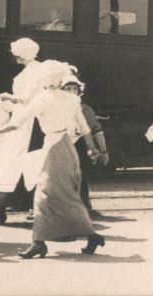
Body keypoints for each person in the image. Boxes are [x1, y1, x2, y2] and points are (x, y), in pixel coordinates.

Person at [0, 60, 105, 258]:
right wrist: (93, 149)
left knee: (44, 195)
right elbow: (85, 128)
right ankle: (89, 236)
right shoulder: (71, 99)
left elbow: (18, 122)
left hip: (53, 146)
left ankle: (39, 243)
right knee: (65, 195)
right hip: (68, 148)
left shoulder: (42, 98)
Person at [0, 38, 43, 225]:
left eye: (16, 53)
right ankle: (0, 209)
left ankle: (28, 208)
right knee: (8, 163)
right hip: (21, 119)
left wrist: (7, 97)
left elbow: (27, 98)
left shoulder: (35, 71)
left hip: (29, 122)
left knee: (23, 163)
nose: (14, 56)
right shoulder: (31, 70)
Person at [62, 73, 110, 217]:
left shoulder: (84, 109)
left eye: (74, 88)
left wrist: (103, 151)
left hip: (80, 146)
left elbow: (96, 130)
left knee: (80, 176)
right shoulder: (56, 107)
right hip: (60, 145)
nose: (71, 91)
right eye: (67, 88)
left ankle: (85, 206)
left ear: (79, 91)